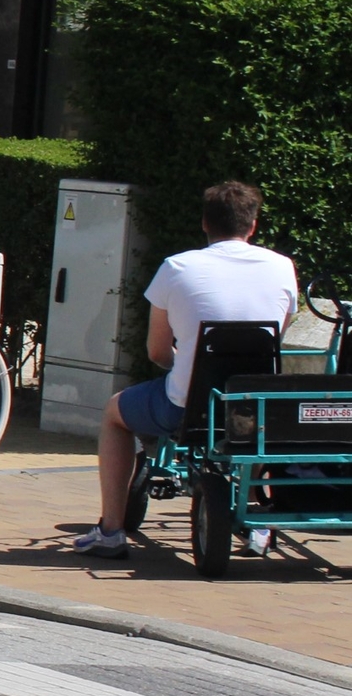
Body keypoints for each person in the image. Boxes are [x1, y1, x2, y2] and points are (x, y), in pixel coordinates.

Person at [72, 179, 300, 559]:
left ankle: (111, 529)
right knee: (259, 419)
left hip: (188, 406)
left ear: (205, 223)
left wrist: (188, 361)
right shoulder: (282, 267)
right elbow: (273, 337)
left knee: (115, 413)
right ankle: (256, 519)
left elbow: (158, 350)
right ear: (253, 225)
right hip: (250, 406)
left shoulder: (176, 268)